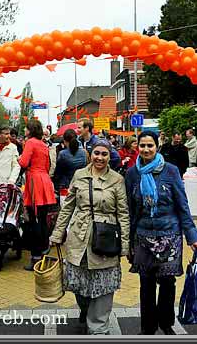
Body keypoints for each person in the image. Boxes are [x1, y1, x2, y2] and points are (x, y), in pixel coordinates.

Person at [49, 139, 130, 335]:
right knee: (79, 282)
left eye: (104, 154)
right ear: (90, 154)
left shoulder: (117, 179)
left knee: (103, 284)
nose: (99, 157)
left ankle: (98, 327)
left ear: (109, 156)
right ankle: (85, 311)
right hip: (79, 235)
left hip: (106, 237)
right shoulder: (79, 175)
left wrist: (125, 245)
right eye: (96, 153)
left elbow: (123, 214)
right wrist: (57, 233)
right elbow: (68, 206)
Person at [125, 131, 197, 335]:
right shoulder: (132, 174)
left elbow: (182, 205)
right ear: (137, 147)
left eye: (150, 145)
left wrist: (192, 235)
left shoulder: (171, 171)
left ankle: (166, 323)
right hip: (143, 236)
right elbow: (131, 210)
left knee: (167, 283)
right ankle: (147, 327)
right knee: (146, 284)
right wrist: (129, 243)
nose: (146, 149)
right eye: (142, 146)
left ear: (157, 146)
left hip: (170, 236)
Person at [18, 120, 57, 271]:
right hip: (45, 181)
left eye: (26, 128)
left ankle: (36, 256)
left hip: (34, 182)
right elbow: (48, 165)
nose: (25, 130)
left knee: (34, 221)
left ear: (30, 130)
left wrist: (18, 159)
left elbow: (24, 162)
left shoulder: (30, 142)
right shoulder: (43, 144)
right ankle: (44, 249)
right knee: (42, 220)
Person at [53, 129, 88, 194]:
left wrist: (55, 185)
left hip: (66, 186)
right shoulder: (84, 152)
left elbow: (58, 173)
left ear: (65, 141)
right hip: (82, 185)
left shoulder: (62, 154)